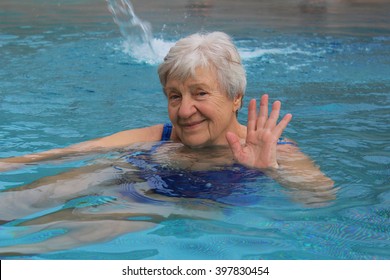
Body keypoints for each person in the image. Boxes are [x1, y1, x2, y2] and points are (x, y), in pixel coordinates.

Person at [0, 31, 334, 195]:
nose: (184, 110)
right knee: (79, 179)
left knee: (90, 224)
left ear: (236, 98)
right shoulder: (162, 137)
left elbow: (320, 199)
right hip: (150, 187)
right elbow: (79, 151)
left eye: (200, 93)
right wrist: (10, 164)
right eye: (174, 96)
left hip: (190, 215)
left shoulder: (273, 150)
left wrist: (271, 170)